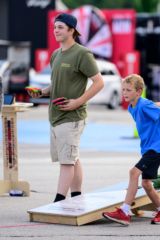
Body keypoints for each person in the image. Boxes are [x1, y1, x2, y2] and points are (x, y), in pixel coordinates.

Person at [27, 13, 104, 202]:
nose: (56, 31)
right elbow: (56, 83)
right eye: (54, 27)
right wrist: (42, 92)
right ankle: (77, 197)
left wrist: (78, 102)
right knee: (72, 158)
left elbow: (99, 82)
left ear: (72, 30)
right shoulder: (56, 55)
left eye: (60, 27)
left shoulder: (82, 54)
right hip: (55, 116)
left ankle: (58, 202)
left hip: (73, 116)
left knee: (66, 162)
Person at [102, 74, 160, 226]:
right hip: (148, 148)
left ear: (138, 91)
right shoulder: (133, 106)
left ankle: (124, 212)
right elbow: (156, 104)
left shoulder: (143, 104)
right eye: (123, 89)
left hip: (156, 148)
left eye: (128, 90)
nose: (124, 93)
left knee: (134, 172)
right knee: (146, 183)